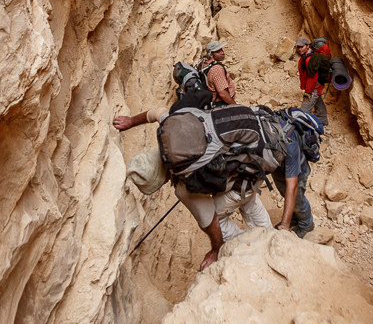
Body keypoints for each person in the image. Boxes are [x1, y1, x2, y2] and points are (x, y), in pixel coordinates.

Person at [114, 92, 272, 272]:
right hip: (253, 165)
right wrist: (131, 121)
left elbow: (210, 221)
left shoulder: (184, 187)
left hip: (239, 185)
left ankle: (256, 245)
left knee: (219, 222)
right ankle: (272, 235)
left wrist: (216, 249)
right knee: (247, 200)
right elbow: (156, 112)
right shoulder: (170, 128)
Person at [272, 107, 316, 238]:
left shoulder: (289, 142)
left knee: (297, 197)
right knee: (283, 190)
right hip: (279, 163)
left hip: (298, 166)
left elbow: (293, 186)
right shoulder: (264, 133)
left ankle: (306, 223)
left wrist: (284, 224)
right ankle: (294, 218)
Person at [294, 36, 329, 127]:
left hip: (314, 87)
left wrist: (308, 92)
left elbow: (312, 78)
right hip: (316, 87)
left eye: (301, 46)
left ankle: (299, 128)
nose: (299, 49)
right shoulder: (305, 57)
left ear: (307, 46)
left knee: (304, 110)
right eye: (298, 47)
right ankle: (323, 120)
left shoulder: (310, 59)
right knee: (318, 101)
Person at [198, 40, 237, 106]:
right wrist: (234, 105)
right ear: (211, 55)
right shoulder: (217, 69)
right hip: (223, 104)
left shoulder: (203, 63)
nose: (222, 52)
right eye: (217, 51)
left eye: (221, 49)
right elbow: (222, 93)